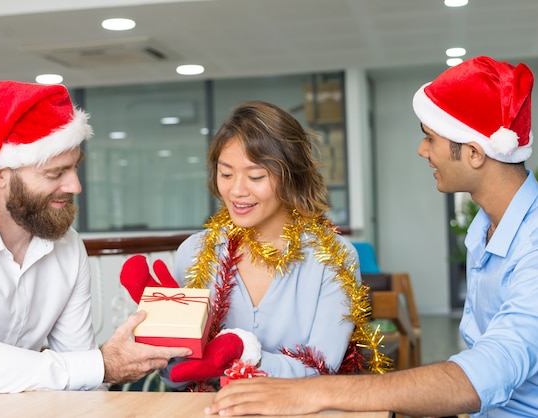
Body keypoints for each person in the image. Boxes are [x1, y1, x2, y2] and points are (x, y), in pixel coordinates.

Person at [206, 56, 538, 417]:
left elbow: (481, 377)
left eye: (430, 138)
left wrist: (311, 392)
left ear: (474, 153)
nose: (422, 150)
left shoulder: (532, 243)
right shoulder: (486, 229)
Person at [0, 80, 190, 395]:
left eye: (74, 169)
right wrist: (101, 364)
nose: (75, 186)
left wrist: (100, 370)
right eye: (55, 173)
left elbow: (78, 376)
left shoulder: (68, 246)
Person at [127, 100, 388, 391]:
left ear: (292, 177)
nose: (237, 190)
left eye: (256, 176)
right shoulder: (195, 252)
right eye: (226, 174)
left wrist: (243, 356)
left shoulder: (334, 259)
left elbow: (321, 369)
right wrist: (165, 338)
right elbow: (175, 376)